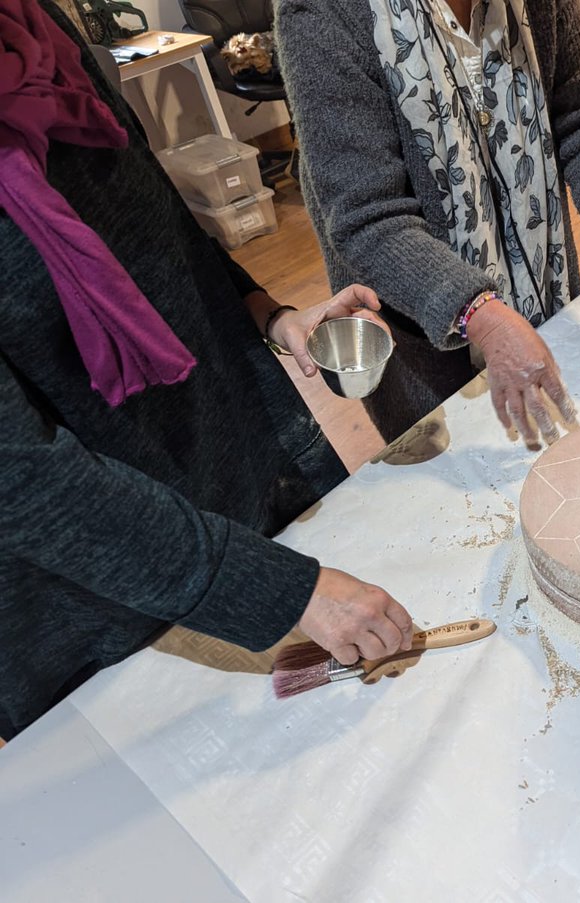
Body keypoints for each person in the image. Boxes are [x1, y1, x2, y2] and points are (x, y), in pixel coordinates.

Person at [0, 0, 415, 739]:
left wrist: (267, 313)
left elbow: (156, 228)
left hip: (226, 469)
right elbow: (21, 481)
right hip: (99, 597)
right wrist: (276, 590)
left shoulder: (39, 29)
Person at [275, 0, 580, 448]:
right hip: (423, 338)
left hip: (542, 291)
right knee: (474, 489)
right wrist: (483, 317)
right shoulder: (324, 13)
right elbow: (370, 219)